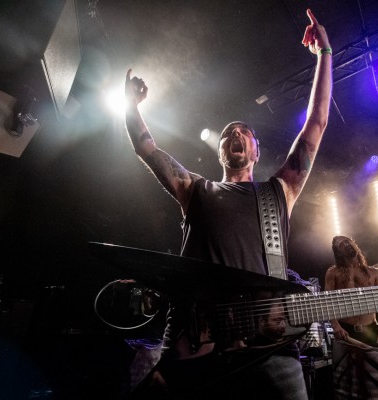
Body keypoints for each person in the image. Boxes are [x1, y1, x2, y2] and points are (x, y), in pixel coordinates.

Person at [123, 8, 332, 400]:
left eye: (244, 132)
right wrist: (130, 107)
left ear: (256, 150)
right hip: (198, 346)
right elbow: (146, 147)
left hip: (269, 349)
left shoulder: (279, 191)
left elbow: (315, 125)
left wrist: (325, 55)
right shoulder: (195, 189)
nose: (235, 133)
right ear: (220, 151)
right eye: (227, 133)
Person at [324, 236, 378, 348]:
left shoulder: (375, 273)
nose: (347, 245)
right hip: (346, 330)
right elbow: (328, 302)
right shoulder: (333, 273)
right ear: (338, 252)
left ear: (354, 244)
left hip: (371, 329)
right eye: (341, 245)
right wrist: (336, 326)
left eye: (347, 242)